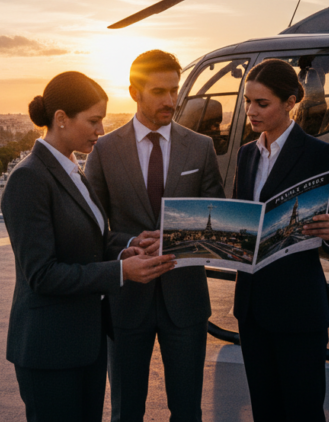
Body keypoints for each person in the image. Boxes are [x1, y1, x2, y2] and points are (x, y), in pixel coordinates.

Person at [3, 71, 177, 422]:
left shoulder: (69, 168)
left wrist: (129, 245)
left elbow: (90, 241)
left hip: (84, 344)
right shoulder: (29, 178)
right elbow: (42, 275)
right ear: (61, 118)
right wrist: (121, 272)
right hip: (50, 350)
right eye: (94, 121)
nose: (101, 129)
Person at [86, 50, 225, 422]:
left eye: (174, 90)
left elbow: (218, 221)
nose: (170, 100)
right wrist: (129, 245)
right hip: (126, 303)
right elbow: (93, 229)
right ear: (135, 92)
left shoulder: (200, 147)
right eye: (159, 91)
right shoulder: (104, 150)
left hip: (186, 303)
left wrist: (177, 237)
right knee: (126, 412)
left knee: (188, 411)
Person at [232, 59, 329, 421]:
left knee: (303, 412)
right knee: (265, 411)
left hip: (299, 310)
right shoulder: (246, 154)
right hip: (252, 310)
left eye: (262, 103)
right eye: (247, 102)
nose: (251, 111)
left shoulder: (318, 153)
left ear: (289, 102)